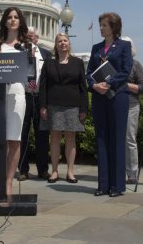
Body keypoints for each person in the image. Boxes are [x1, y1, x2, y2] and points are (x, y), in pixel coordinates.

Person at [0, 7, 29, 195]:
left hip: (17, 94)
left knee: (14, 140)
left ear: (20, 21)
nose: (12, 20)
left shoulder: (26, 47)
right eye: (9, 17)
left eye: (16, 17)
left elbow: (32, 75)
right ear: (4, 21)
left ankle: (9, 181)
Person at [86, 12, 132, 197]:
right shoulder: (96, 48)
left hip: (117, 96)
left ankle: (117, 185)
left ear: (113, 27)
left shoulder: (124, 46)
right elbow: (89, 72)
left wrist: (109, 83)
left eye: (104, 25)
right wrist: (94, 85)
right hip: (99, 97)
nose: (101, 28)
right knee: (101, 139)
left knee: (117, 140)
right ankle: (103, 185)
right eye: (100, 25)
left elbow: (125, 70)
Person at [39, 33, 88, 183]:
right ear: (56, 45)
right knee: (54, 138)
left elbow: (83, 87)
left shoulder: (78, 62)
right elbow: (43, 86)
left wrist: (84, 108)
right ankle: (54, 171)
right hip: (53, 105)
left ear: (69, 43)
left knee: (70, 139)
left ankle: (70, 172)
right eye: (59, 41)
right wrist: (43, 106)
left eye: (65, 40)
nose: (62, 43)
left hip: (73, 105)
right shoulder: (48, 63)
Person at [18, 26, 51, 181]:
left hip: (40, 98)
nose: (31, 38)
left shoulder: (46, 54)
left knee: (42, 135)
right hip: (24, 95)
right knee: (23, 135)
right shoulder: (18, 54)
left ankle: (43, 169)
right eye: (28, 36)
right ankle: (23, 170)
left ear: (37, 39)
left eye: (33, 36)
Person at [119, 36, 143, 185]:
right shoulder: (112, 65)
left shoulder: (136, 65)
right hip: (114, 104)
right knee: (117, 139)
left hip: (131, 105)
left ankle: (132, 173)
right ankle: (118, 171)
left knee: (129, 139)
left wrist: (126, 85)